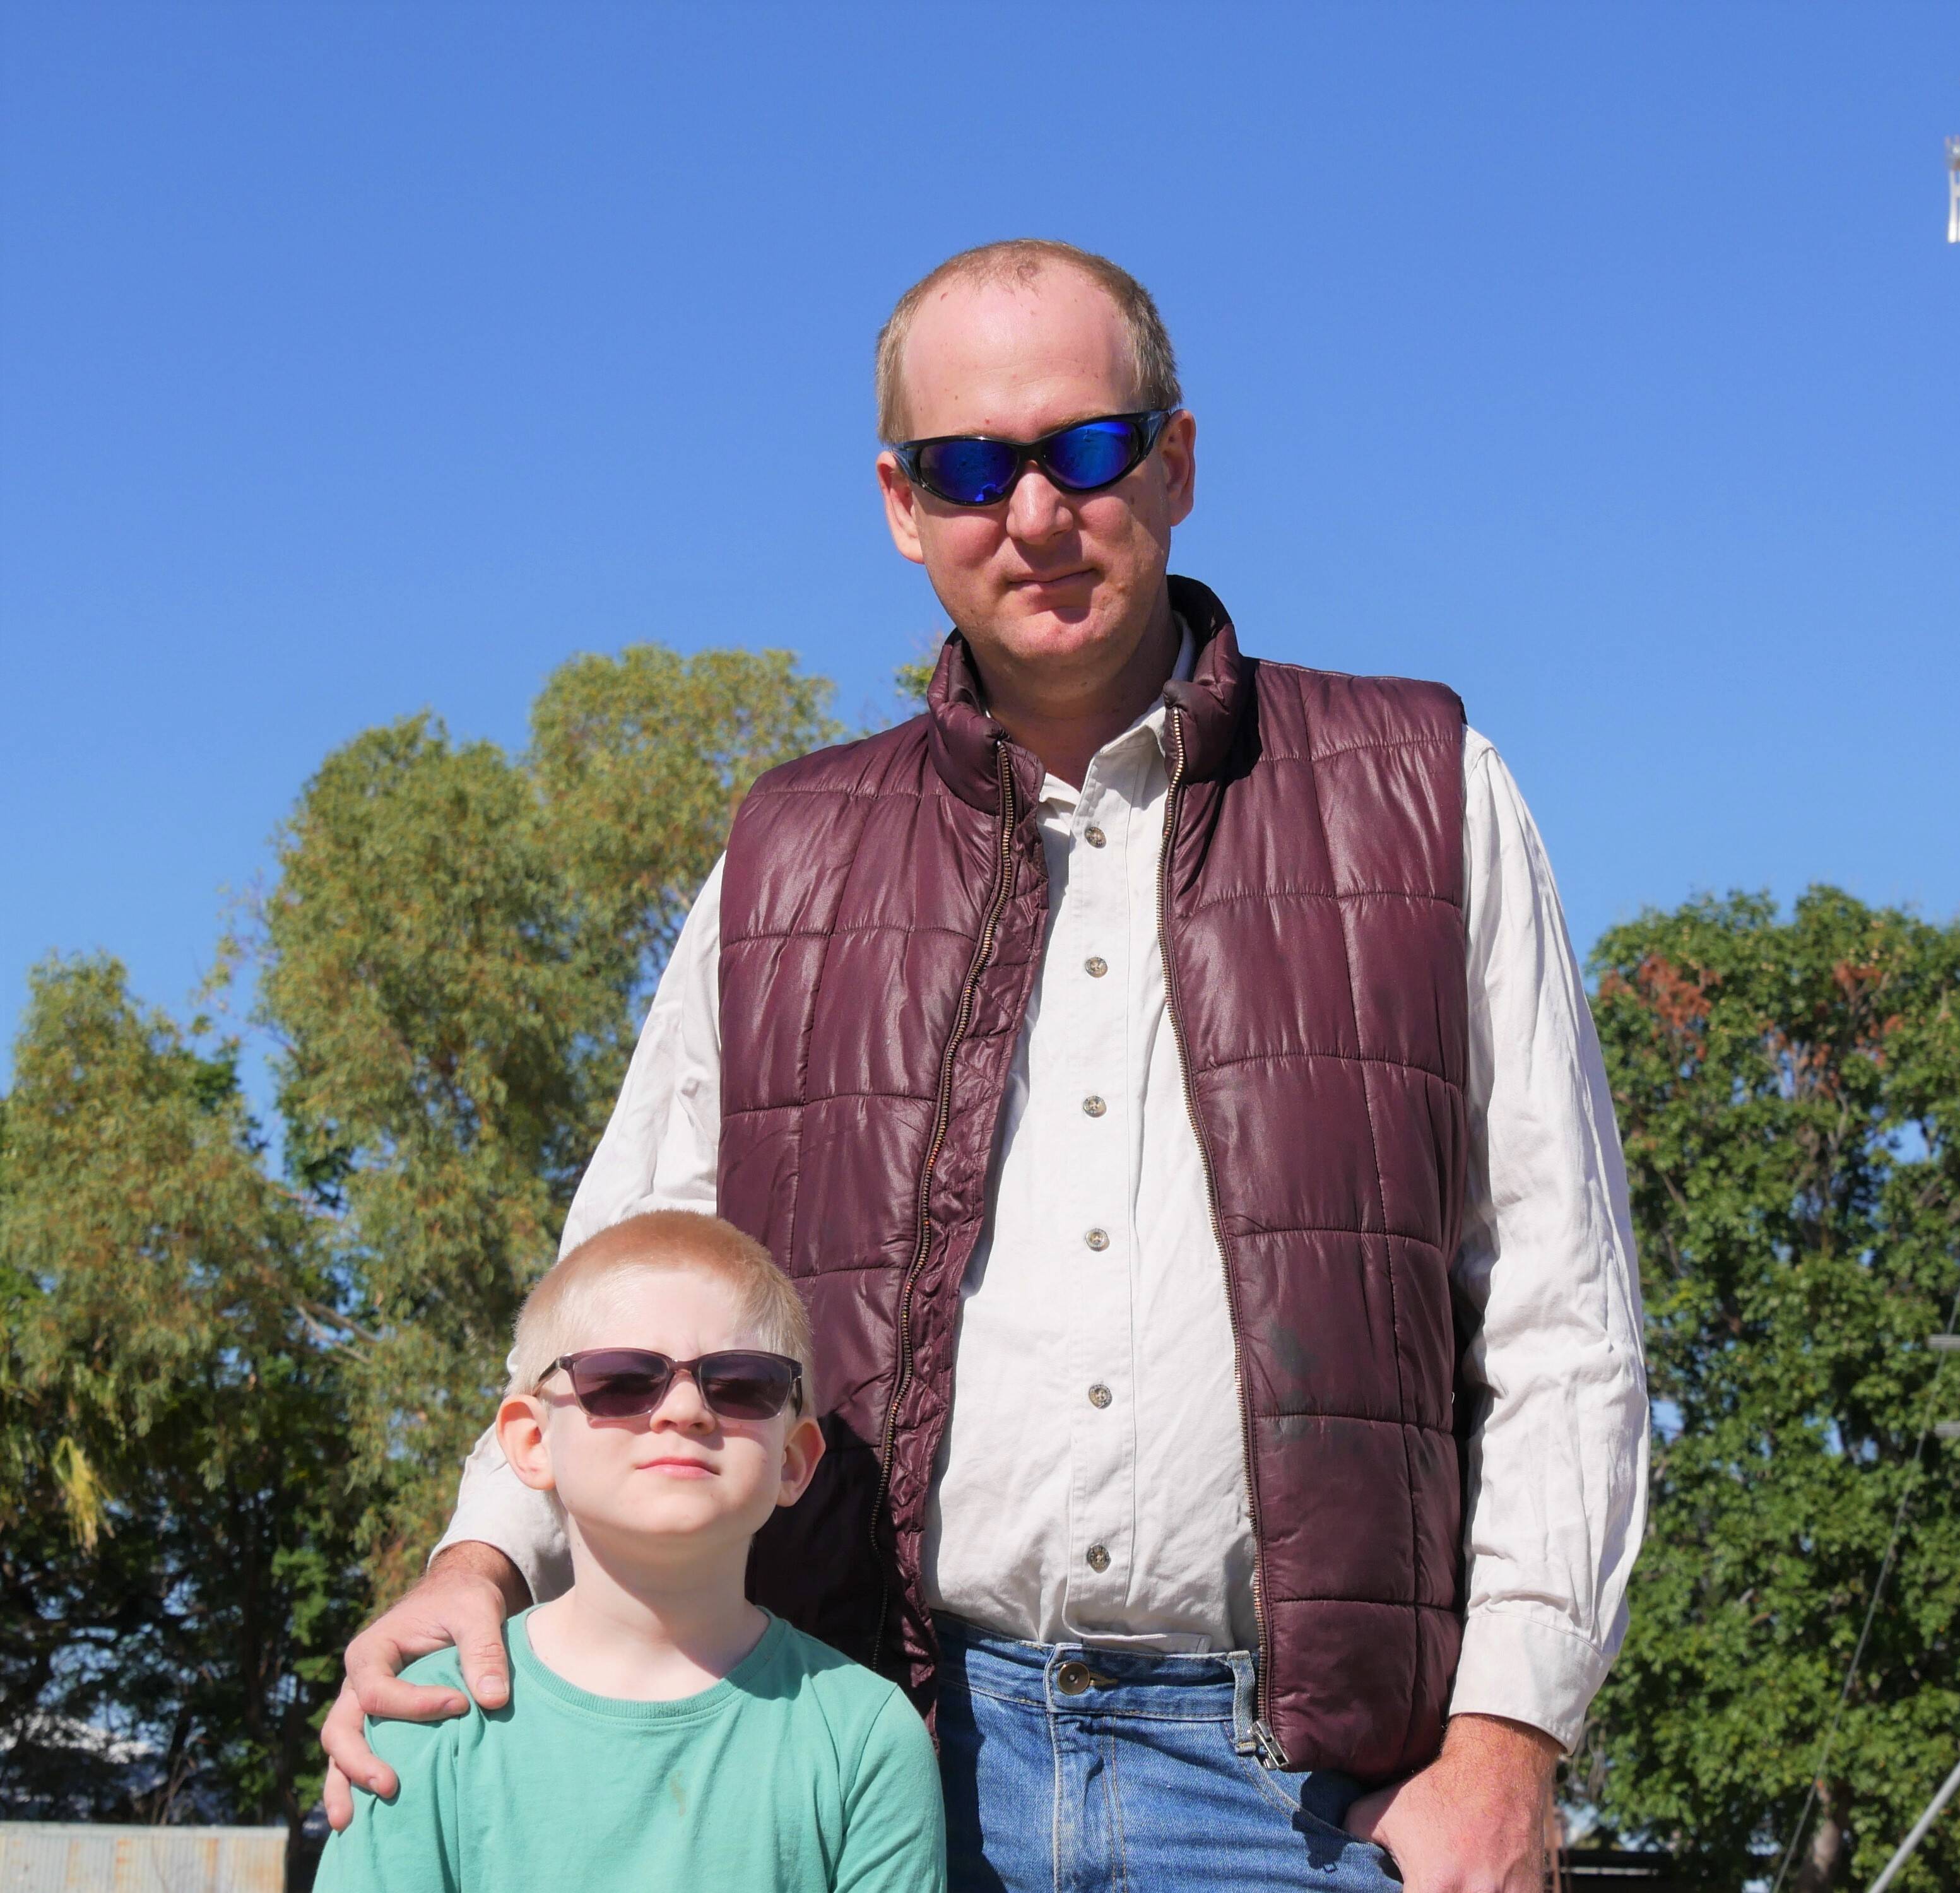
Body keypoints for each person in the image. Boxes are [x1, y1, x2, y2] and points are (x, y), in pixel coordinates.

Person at [322, 238, 1651, 1893]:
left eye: (1084, 450)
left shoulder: (1425, 790)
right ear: (899, 502)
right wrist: (481, 1558)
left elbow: (1561, 1312)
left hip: (1314, 1799)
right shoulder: (787, 855)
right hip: (875, 1759)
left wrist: (1511, 1740)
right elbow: (623, 1278)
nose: (1032, 513)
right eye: (968, 468)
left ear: (1174, 459)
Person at [314, 1211, 943, 1892]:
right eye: (621, 1379)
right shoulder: (423, 1718)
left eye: (740, 1383)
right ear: (531, 1443)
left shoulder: (866, 1739)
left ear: (793, 1461)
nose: (683, 1410)